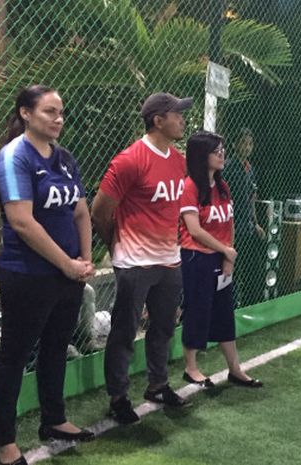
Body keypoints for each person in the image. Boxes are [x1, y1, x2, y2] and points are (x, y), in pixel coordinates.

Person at [0, 85, 95, 465]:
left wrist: (83, 259)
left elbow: (80, 211)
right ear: (25, 113)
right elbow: (21, 221)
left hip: (67, 275)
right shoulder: (13, 157)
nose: (58, 119)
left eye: (61, 112)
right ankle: (5, 443)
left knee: (56, 349)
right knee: (14, 356)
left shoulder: (65, 158)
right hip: (27, 275)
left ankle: (54, 420)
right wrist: (66, 264)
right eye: (50, 112)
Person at [91, 92, 192, 425]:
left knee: (163, 326)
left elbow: (171, 209)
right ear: (158, 120)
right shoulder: (130, 160)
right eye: (177, 114)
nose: (182, 119)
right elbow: (99, 210)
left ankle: (157, 385)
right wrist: (117, 244)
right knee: (124, 331)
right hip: (134, 263)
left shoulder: (178, 160)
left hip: (169, 261)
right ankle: (118, 397)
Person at [178, 131, 263, 388]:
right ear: (202, 155)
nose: (222, 155)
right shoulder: (190, 186)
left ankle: (234, 369)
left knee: (225, 312)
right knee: (197, 310)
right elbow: (194, 230)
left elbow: (229, 223)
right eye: (217, 151)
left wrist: (229, 254)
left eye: (222, 150)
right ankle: (190, 367)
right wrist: (225, 251)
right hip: (197, 258)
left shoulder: (223, 187)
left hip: (220, 257)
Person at [222, 128, 266, 307]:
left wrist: (256, 223)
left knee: (252, 268)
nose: (247, 147)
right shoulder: (228, 168)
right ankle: (230, 305)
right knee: (233, 270)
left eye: (250, 144)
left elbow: (252, 199)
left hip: (247, 227)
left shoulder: (250, 169)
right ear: (235, 144)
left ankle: (250, 304)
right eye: (244, 143)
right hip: (233, 228)